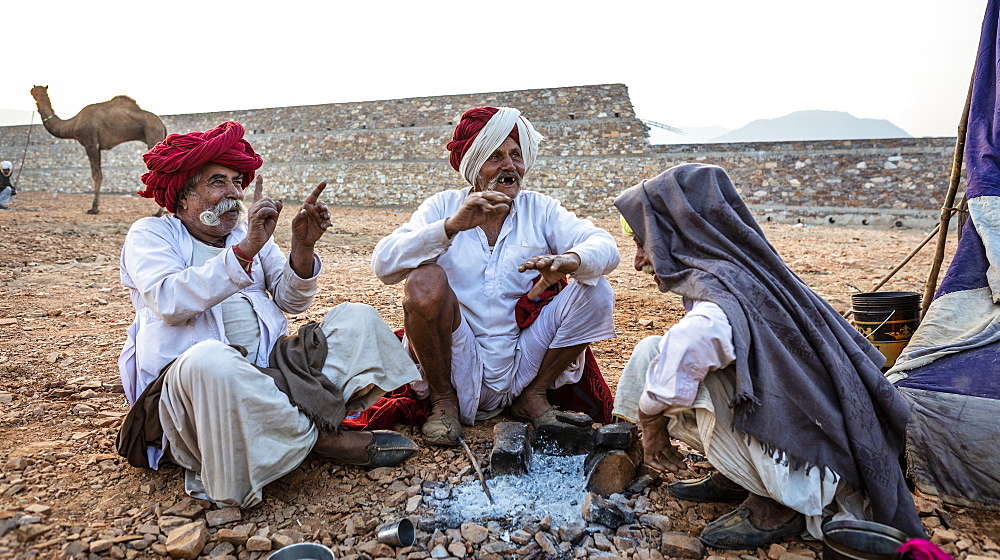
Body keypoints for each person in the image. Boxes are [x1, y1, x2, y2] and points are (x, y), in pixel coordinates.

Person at [612, 164, 923, 549]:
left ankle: (777, 503)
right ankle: (737, 476)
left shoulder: (712, 312)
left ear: (677, 235)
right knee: (652, 352)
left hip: (812, 458)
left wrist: (651, 427)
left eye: (644, 244)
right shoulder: (748, 272)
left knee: (672, 370)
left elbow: (679, 370)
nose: (640, 261)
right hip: (825, 433)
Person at [118, 121, 422, 508]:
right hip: (199, 386)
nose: (232, 193)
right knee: (210, 361)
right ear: (182, 197)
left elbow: (291, 299)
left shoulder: (244, 234)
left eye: (236, 181)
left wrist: (301, 245)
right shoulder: (151, 234)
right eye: (218, 182)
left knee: (357, 318)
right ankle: (323, 438)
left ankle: (287, 432)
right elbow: (170, 301)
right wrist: (245, 250)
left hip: (273, 368)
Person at [371, 106, 620, 446]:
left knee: (597, 290)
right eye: (495, 156)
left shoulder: (540, 209)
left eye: (516, 155)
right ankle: (443, 402)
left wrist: (570, 260)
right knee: (423, 281)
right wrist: (450, 227)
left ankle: (533, 396)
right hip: (460, 357)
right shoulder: (442, 207)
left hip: (525, 356)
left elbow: (605, 245)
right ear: (473, 166)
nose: (510, 166)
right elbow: (384, 264)